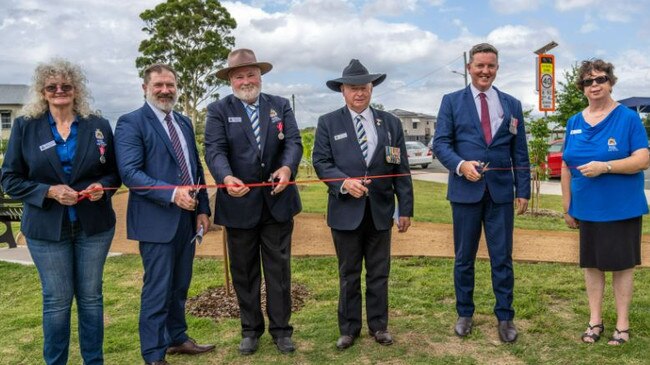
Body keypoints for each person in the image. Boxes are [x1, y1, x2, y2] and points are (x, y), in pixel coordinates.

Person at [0, 59, 120, 365]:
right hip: (46, 230)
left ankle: (94, 361)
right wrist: (48, 191)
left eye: (66, 86)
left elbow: (113, 174)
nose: (59, 91)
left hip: (94, 227)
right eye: (52, 86)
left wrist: (100, 187)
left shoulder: (98, 125)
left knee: (91, 299)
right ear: (42, 91)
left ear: (76, 89)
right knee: (57, 300)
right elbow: (9, 179)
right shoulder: (26, 126)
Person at [204, 49, 302, 355]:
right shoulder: (218, 110)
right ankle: (250, 330)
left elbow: (294, 143)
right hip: (238, 205)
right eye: (239, 76)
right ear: (231, 80)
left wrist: (287, 168)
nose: (246, 80)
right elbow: (214, 149)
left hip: (277, 202)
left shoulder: (280, 106)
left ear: (260, 75)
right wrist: (225, 177)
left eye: (250, 74)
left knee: (278, 271)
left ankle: (282, 330)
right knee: (244, 273)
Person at [115, 64, 213, 365]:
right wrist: (172, 193)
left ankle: (177, 338)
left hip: (187, 220)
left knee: (180, 285)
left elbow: (194, 169)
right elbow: (130, 172)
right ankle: (154, 354)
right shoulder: (131, 123)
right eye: (158, 85)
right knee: (157, 289)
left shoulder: (182, 122)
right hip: (156, 221)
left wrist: (203, 209)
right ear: (145, 87)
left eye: (170, 84)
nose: (165, 90)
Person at [312, 59, 414, 350]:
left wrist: (404, 208)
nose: (360, 93)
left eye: (365, 88)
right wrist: (344, 183)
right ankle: (349, 328)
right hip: (345, 213)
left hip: (381, 212)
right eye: (353, 88)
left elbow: (401, 168)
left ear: (372, 89)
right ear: (342, 91)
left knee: (379, 272)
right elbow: (321, 162)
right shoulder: (328, 123)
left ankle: (379, 326)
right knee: (349, 273)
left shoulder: (390, 123)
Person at [433, 43, 530, 343]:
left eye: (491, 66)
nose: (485, 71)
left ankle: (505, 317)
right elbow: (440, 144)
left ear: (497, 68)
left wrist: (523, 190)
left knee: (502, 258)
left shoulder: (512, 104)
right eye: (480, 66)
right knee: (464, 258)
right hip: (465, 193)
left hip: (501, 195)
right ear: (469, 68)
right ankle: (465, 312)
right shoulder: (451, 101)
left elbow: (520, 152)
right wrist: (461, 165)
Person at [561, 59, 649, 346]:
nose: (595, 85)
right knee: (592, 265)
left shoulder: (628, 118)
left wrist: (606, 167)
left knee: (622, 265)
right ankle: (594, 320)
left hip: (621, 207)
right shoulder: (574, 121)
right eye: (588, 81)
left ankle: (622, 325)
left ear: (610, 82)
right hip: (587, 208)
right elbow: (566, 166)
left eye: (600, 79)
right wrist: (567, 205)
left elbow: (642, 160)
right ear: (582, 88)